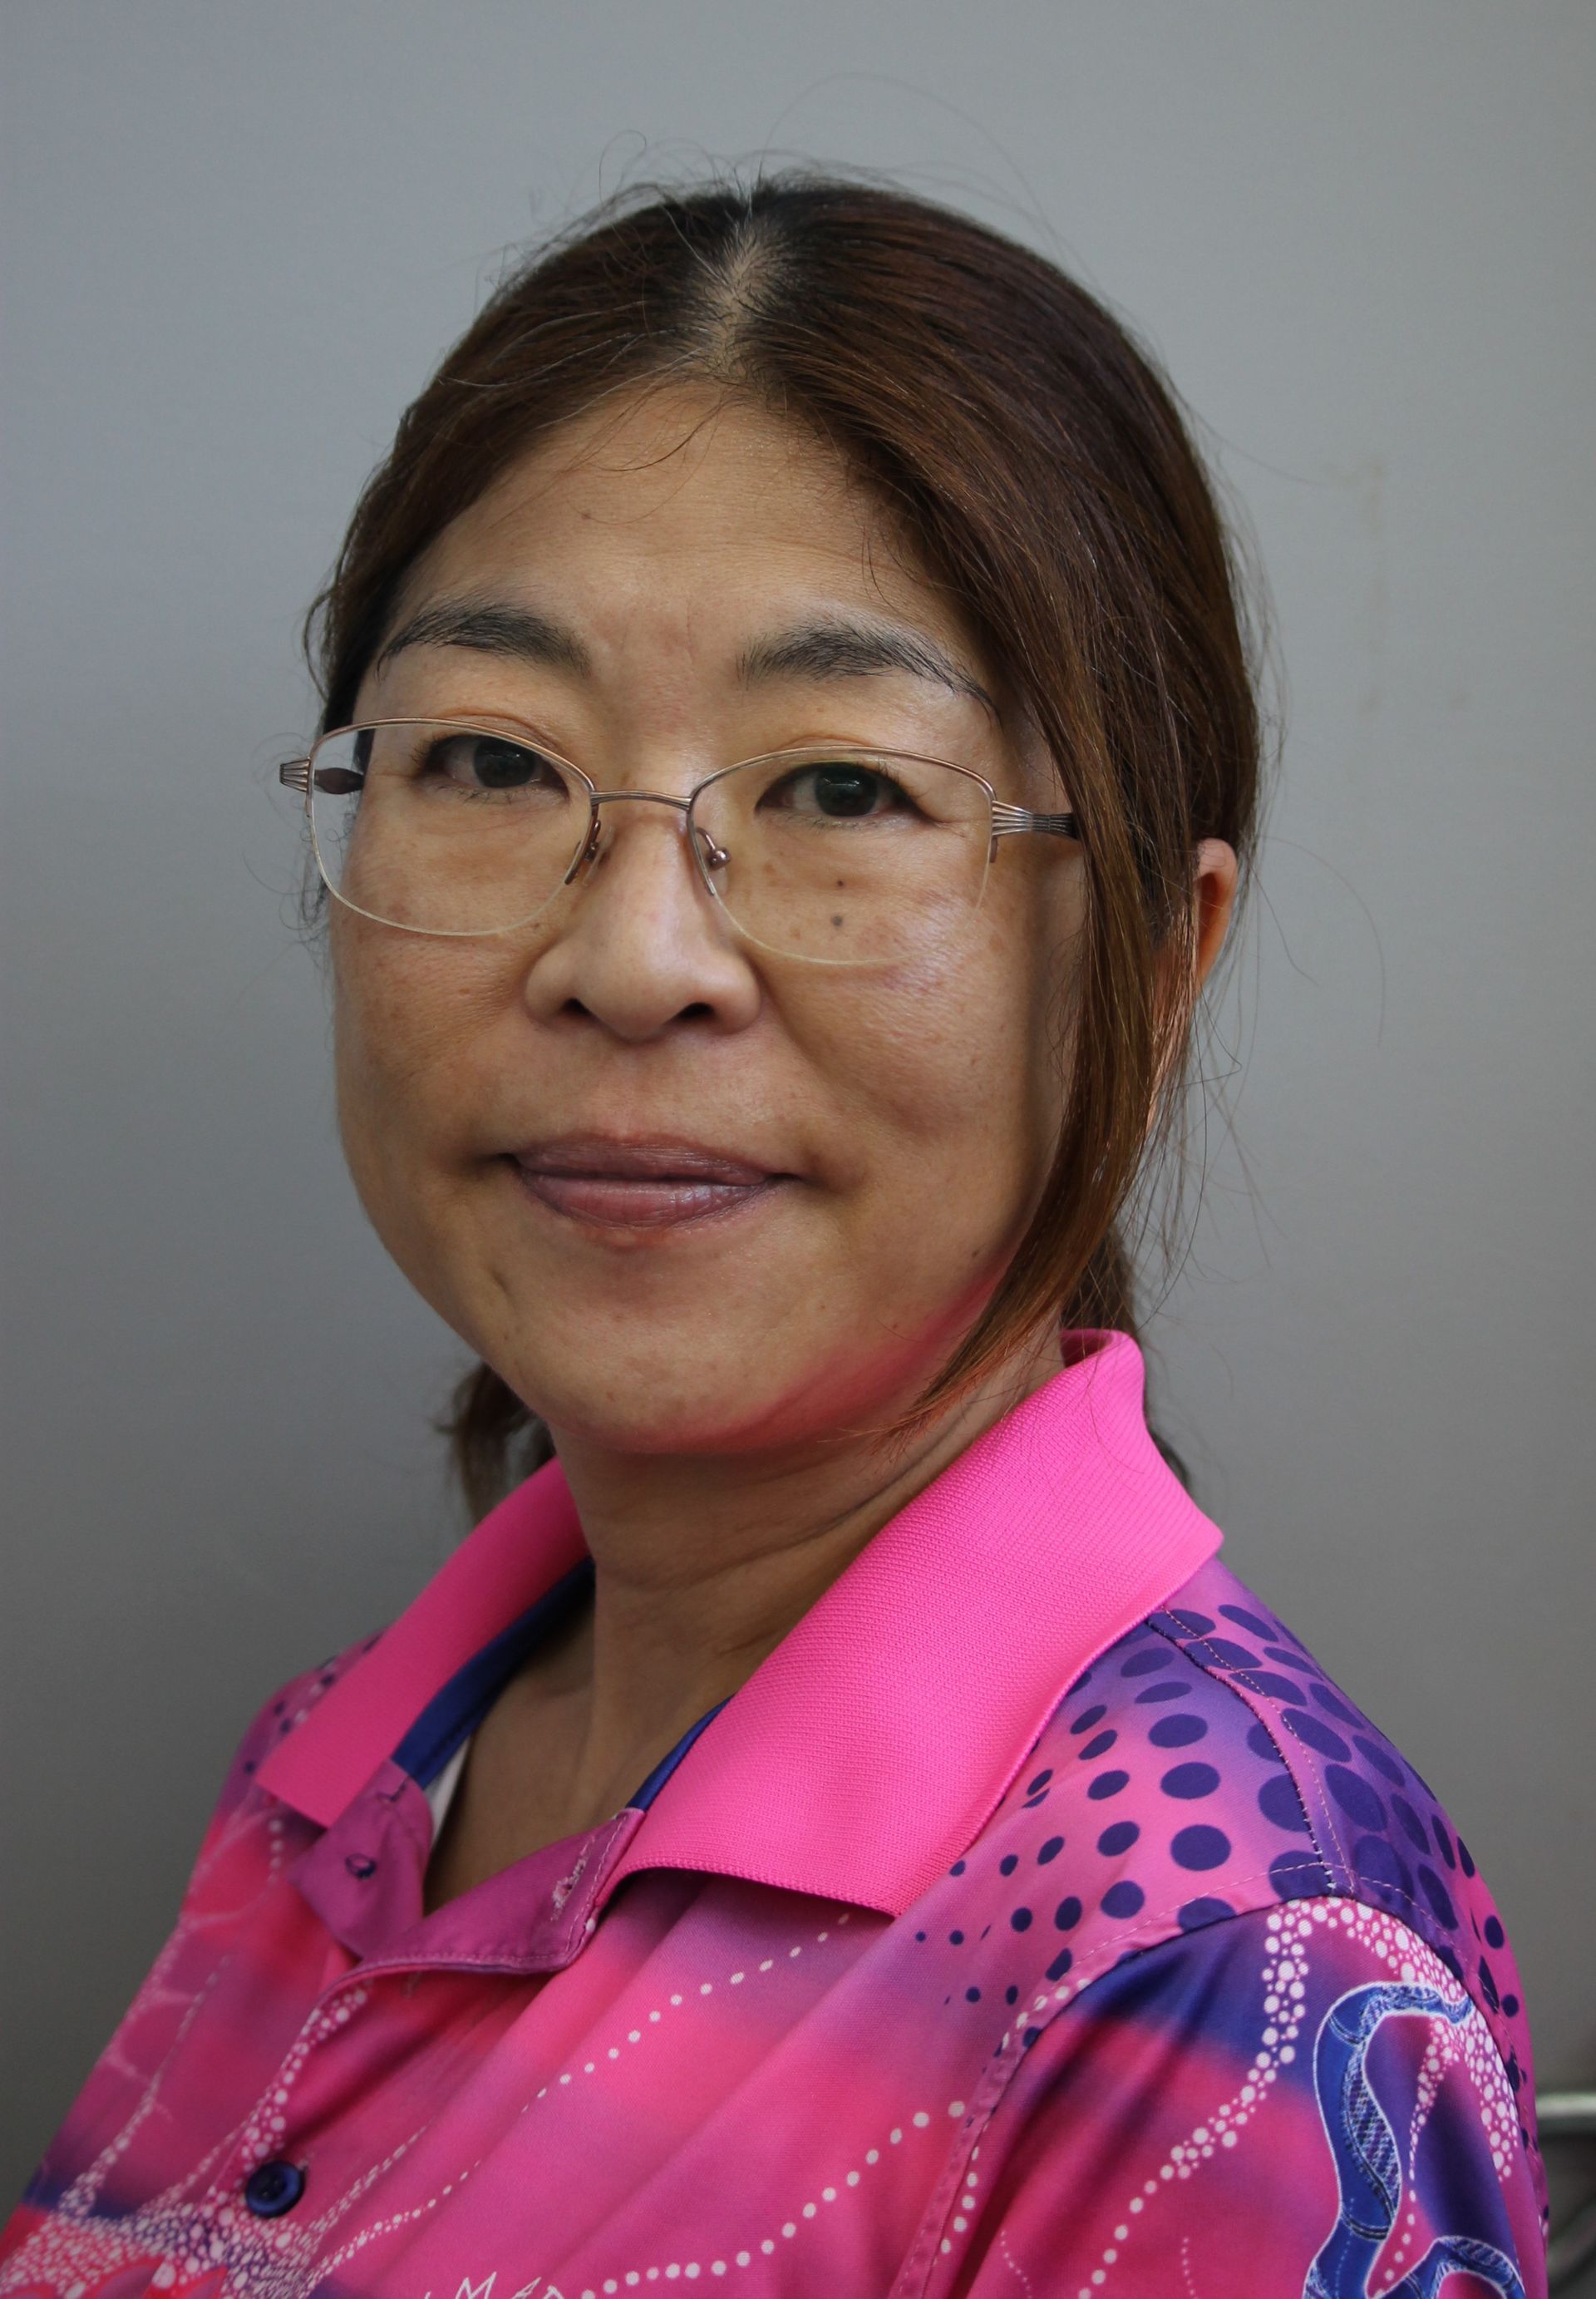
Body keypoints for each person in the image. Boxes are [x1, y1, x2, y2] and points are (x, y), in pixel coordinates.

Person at [2, 170, 1548, 2299]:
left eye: (842, 790)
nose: (635, 961)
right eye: (488, 759)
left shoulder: (1217, 1988)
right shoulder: (338, 1763)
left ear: (1159, 966)